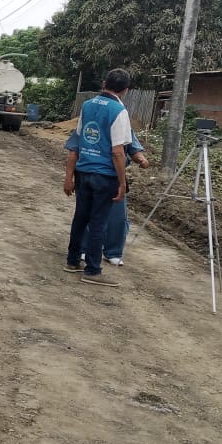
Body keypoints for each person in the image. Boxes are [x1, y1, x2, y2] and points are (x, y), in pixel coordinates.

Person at [63, 68, 133, 287]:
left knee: (81, 218)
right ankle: (93, 270)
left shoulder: (87, 105)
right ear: (125, 89)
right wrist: (122, 182)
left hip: (84, 171)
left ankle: (72, 261)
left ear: (104, 83)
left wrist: (69, 176)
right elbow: (118, 152)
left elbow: (78, 141)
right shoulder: (119, 111)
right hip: (104, 175)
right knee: (98, 223)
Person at [65, 128, 150, 266]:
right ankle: (84, 249)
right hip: (88, 173)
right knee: (88, 215)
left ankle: (113, 251)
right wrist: (69, 178)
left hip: (113, 175)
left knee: (117, 217)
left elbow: (132, 149)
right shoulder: (87, 123)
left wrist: (141, 159)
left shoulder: (123, 126)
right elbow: (74, 151)